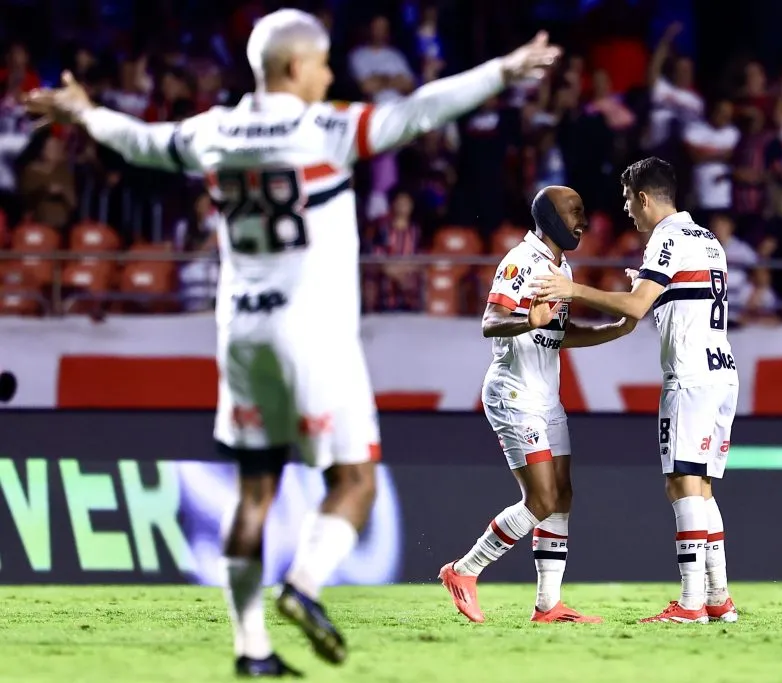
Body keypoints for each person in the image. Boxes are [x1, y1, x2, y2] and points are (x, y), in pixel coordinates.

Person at [26, 9, 561, 677]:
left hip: (242, 335)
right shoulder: (327, 126)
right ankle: (303, 583)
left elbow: (138, 140)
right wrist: (504, 71)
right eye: (324, 63)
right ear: (294, 67)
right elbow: (421, 110)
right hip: (314, 330)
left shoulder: (212, 130)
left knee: (254, 494)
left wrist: (82, 111)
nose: (331, 74)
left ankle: (251, 650)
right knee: (356, 481)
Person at [534, 157, 739, 625]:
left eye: (628, 200)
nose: (627, 209)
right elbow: (676, 295)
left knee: (681, 483)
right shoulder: (706, 238)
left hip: (689, 376)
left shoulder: (666, 238)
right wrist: (647, 290)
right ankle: (718, 599)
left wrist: (574, 292)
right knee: (701, 487)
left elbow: (636, 306)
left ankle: (690, 605)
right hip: (722, 370)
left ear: (643, 198)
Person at [439, 185, 636, 624]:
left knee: (562, 495)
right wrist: (528, 317)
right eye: (575, 213)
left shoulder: (560, 266)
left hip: (546, 396)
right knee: (542, 499)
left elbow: (558, 334)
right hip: (514, 395)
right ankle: (464, 570)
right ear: (548, 217)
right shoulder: (520, 261)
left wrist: (615, 330)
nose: (583, 222)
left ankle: (548, 604)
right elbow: (491, 321)